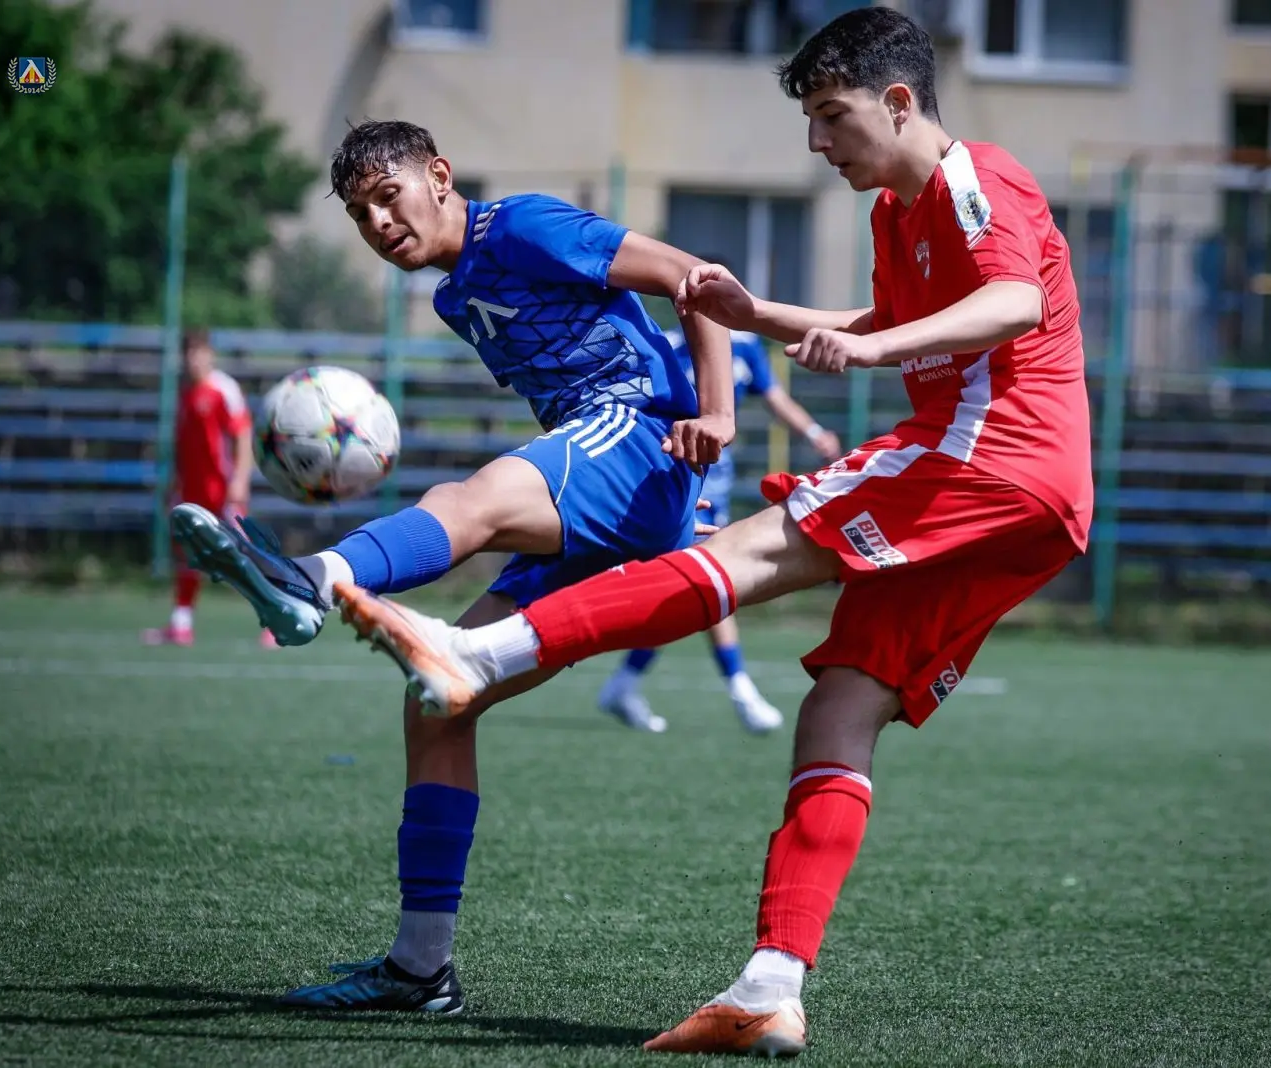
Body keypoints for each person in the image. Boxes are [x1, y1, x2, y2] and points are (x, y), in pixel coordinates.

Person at [331, 7, 1093, 1056]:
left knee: (745, 549)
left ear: (898, 102)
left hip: (991, 451)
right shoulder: (894, 216)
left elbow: (1011, 303)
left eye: (831, 116)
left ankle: (481, 653)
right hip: (1034, 502)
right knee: (841, 708)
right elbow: (882, 323)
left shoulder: (980, 178)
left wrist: (873, 359)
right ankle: (772, 988)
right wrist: (763, 315)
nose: (817, 142)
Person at [171, 119, 735, 1014]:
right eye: (360, 214)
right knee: (440, 698)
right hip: (611, 488)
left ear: (438, 176)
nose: (378, 223)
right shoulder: (454, 296)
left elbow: (695, 278)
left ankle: (310, 579)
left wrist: (718, 414)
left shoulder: (522, 226)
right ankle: (420, 969)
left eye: (387, 196)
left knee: (469, 499)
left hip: (638, 438)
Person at [596, 307, 841, 735]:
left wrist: (814, 432)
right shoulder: (669, 345)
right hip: (679, 477)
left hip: (716, 480)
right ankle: (740, 691)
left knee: (691, 587)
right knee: (709, 581)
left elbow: (775, 397)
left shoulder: (744, 347)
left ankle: (626, 681)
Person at [141, 329, 275, 649]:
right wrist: (173, 484)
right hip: (191, 491)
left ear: (210, 355)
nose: (193, 359)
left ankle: (275, 620)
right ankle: (181, 625)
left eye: (199, 352)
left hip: (222, 492)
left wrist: (240, 479)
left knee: (246, 555)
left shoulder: (223, 389)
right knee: (187, 555)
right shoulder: (184, 392)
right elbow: (183, 445)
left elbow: (242, 435)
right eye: (188, 353)